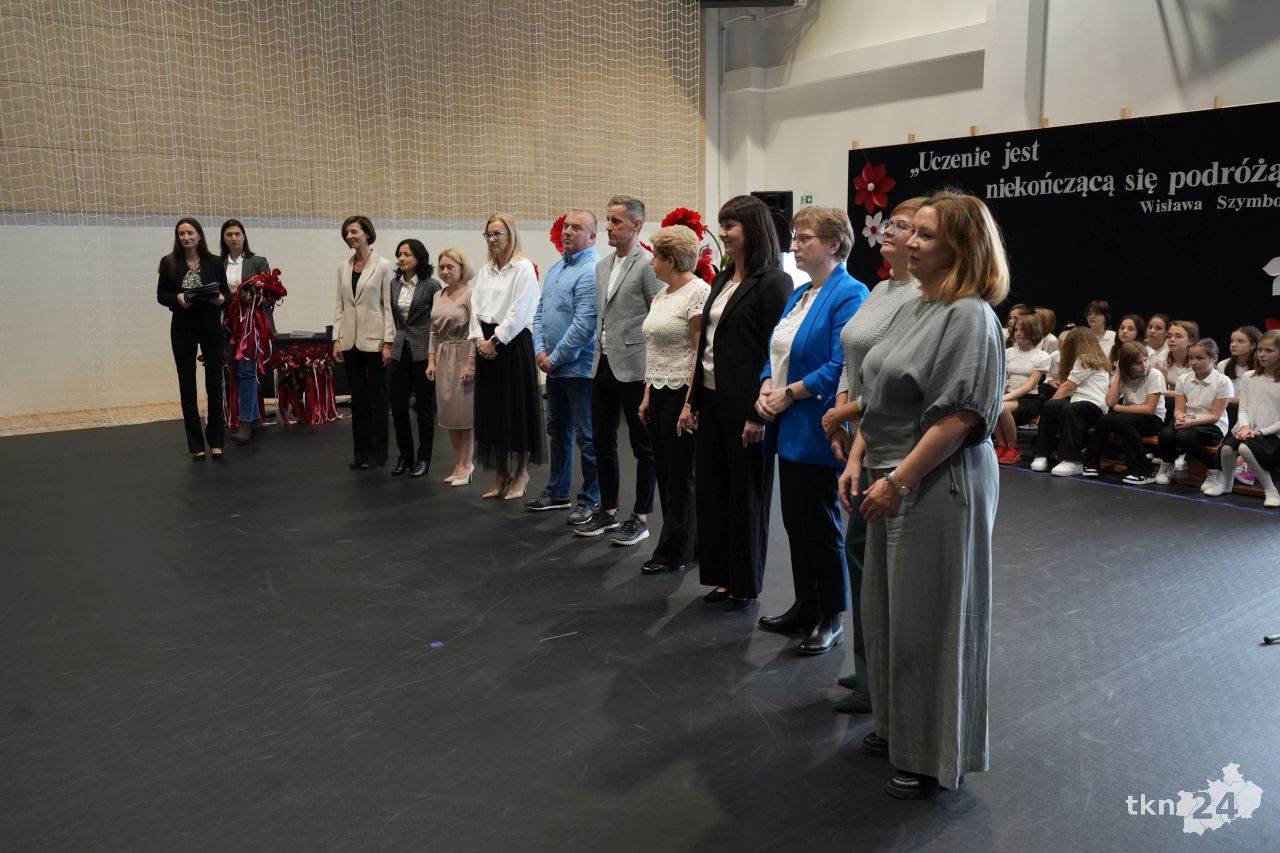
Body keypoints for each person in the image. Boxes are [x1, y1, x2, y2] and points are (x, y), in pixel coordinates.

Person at [841, 189, 1007, 799]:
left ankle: (933, 754)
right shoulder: (919, 305)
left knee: (932, 621)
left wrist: (896, 480)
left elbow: (960, 417)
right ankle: (900, 729)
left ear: (963, 248)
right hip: (895, 474)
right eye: (912, 231)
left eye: (927, 235)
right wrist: (857, 448)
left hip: (937, 482)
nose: (909, 241)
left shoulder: (970, 316)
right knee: (891, 615)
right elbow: (884, 393)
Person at [823, 197, 923, 713]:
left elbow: (893, 380)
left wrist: (843, 415)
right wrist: (843, 413)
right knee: (860, 559)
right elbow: (853, 359)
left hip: (890, 441)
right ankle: (866, 666)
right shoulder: (881, 288)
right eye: (892, 221)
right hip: (862, 434)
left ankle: (878, 679)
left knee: (876, 564)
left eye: (904, 225)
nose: (889, 229)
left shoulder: (920, 300)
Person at [753, 207, 867, 656]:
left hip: (820, 421)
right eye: (795, 238)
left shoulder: (850, 292)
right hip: (789, 421)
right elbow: (778, 350)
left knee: (820, 524)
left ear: (834, 244)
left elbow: (842, 364)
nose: (794, 246)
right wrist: (766, 384)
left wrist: (790, 393)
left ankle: (831, 615)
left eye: (804, 238)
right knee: (796, 523)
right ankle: (805, 605)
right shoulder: (800, 293)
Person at [682, 195, 790, 610]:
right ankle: (723, 575)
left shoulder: (773, 282)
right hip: (712, 400)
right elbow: (707, 345)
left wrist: (756, 415)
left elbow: (773, 353)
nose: (723, 233)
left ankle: (744, 582)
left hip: (747, 406)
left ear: (753, 229)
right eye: (722, 224)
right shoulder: (724, 276)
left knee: (747, 497)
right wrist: (693, 400)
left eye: (730, 225)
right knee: (715, 492)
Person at [578, 196, 664, 546]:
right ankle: (608, 510)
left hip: (636, 367)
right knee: (601, 440)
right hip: (602, 364)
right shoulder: (602, 266)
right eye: (608, 220)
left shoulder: (648, 265)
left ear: (636, 225)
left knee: (642, 446)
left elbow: (659, 316)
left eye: (616, 221)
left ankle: (640, 518)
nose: (609, 227)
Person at [638, 225, 709, 574]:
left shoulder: (698, 293)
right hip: (660, 389)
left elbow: (699, 352)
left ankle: (674, 549)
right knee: (666, 471)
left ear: (671, 259)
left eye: (656, 256)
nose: (652, 262)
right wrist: (647, 394)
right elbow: (654, 349)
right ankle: (685, 543)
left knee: (681, 474)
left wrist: (689, 404)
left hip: (683, 390)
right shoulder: (662, 295)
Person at [528, 210, 600, 521]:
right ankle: (558, 492)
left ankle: (591, 499)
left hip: (579, 370)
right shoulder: (557, 268)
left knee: (587, 438)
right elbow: (539, 314)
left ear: (592, 237)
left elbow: (585, 325)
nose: (567, 231)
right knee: (557, 431)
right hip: (554, 368)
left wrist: (553, 358)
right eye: (566, 226)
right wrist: (539, 351)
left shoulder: (591, 270)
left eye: (576, 227)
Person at [470, 214, 545, 499]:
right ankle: (501, 474)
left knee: (517, 409)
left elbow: (522, 310)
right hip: (486, 343)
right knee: (493, 410)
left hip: (512, 343)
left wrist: (495, 340)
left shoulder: (523, 268)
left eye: (497, 233)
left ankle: (522, 473)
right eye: (488, 234)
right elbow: (475, 307)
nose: (492, 239)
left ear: (510, 235)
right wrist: (479, 339)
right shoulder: (485, 270)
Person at [156, 217, 229, 460]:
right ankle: (196, 445)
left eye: (190, 233)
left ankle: (216, 441)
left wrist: (222, 299)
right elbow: (161, 295)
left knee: (214, 383)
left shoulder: (214, 262)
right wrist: (177, 298)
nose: (186, 237)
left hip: (210, 324)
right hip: (183, 325)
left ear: (199, 235)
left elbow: (225, 293)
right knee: (187, 384)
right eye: (181, 234)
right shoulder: (169, 262)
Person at [333, 215, 396, 470]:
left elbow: (388, 306)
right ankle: (361, 453)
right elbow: (339, 304)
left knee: (378, 399)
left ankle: (379, 453)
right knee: (358, 400)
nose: (350, 236)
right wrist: (336, 338)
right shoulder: (342, 266)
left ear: (367, 234)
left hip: (376, 341)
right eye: (347, 232)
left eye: (354, 231)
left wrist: (388, 342)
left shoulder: (384, 265)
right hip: (349, 341)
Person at [388, 239, 441, 478]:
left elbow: (437, 320)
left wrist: (434, 355)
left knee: (424, 408)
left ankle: (424, 458)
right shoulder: (394, 284)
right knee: (398, 406)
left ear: (419, 257)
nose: (401, 258)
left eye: (407, 254)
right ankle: (405, 456)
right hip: (400, 349)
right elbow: (397, 318)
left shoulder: (431, 285)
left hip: (423, 350)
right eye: (399, 254)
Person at [1029, 327, 1110, 477]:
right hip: (1077, 401)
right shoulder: (1080, 359)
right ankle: (1042, 453)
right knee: (1051, 406)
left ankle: (1072, 460)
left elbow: (1068, 386)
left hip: (1094, 405)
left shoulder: (1086, 359)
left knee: (1070, 409)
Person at [1081, 341, 1166, 483]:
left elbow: (1149, 409)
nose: (1144, 365)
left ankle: (1144, 471)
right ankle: (1091, 463)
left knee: (1122, 421)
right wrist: (1119, 374)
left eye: (1145, 360)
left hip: (1153, 419)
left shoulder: (1154, 375)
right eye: (1138, 363)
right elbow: (1110, 402)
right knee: (1105, 420)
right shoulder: (1124, 375)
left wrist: (1120, 408)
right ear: (1126, 365)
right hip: (1130, 415)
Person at [1154, 338, 1233, 489]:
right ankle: (1167, 464)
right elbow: (1179, 409)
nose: (1194, 362)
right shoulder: (1184, 379)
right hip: (1188, 421)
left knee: (1184, 437)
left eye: (1199, 358)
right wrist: (1180, 418)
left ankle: (1214, 469)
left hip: (1212, 425)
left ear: (1214, 359)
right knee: (1166, 433)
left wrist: (1190, 423)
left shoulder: (1223, 382)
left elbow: (1215, 416)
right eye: (1191, 358)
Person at [428, 248, 477, 486]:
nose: (445, 271)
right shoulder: (438, 295)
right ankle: (458, 463)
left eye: (450, 267)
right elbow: (433, 331)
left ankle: (467, 465)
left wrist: (471, 364)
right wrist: (431, 360)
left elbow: (477, 331)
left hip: (464, 353)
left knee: (464, 416)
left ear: (462, 268)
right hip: (444, 355)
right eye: (442, 267)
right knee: (448, 415)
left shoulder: (470, 293)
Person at [220, 219, 271, 445]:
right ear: (224, 239)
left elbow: (268, 293)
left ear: (244, 236)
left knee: (247, 372)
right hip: (227, 326)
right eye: (229, 234)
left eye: (237, 234)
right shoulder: (217, 264)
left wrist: (244, 294)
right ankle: (253, 417)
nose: (233, 238)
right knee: (235, 371)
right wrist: (235, 293)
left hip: (252, 327)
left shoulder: (258, 262)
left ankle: (246, 423)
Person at [1217, 330, 1280, 506]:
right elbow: (1244, 408)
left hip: (1273, 433)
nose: (1262, 354)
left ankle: (1270, 490)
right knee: (1227, 449)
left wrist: (1261, 432)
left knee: (1245, 448)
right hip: (1249, 429)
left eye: (1269, 350)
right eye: (1260, 350)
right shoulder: (1249, 377)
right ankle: (1226, 483)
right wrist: (1245, 427)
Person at [993, 312, 1049, 463]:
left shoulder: (1041, 356)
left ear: (1033, 331)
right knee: (994, 405)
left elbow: (1030, 385)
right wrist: (1001, 393)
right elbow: (1002, 377)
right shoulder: (1009, 352)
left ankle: (1013, 448)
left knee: (1003, 407)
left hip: (1029, 399)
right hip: (1009, 395)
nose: (1018, 333)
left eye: (1022, 330)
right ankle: (1002, 445)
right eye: (1016, 329)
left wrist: (1004, 397)